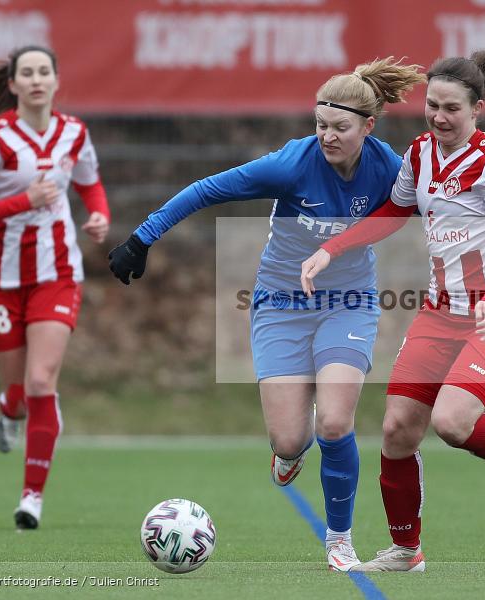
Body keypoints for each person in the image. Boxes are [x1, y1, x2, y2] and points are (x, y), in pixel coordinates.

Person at [108, 58, 425, 571]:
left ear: (369, 126)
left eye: (339, 127)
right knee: (290, 438)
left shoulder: (388, 167)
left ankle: (339, 539)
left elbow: (449, 208)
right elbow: (208, 188)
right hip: (281, 304)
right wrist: (142, 238)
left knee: (337, 425)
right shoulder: (291, 165)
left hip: (349, 304)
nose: (327, 136)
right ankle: (287, 452)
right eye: (320, 125)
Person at [301, 33, 485, 572]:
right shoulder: (419, 153)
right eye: (432, 105)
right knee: (397, 429)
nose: (438, 116)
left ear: (477, 110)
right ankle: (406, 551)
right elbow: (394, 211)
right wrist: (330, 249)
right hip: (440, 310)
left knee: (454, 422)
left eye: (451, 108)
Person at [0, 45, 111, 530]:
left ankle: (31, 499)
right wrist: (24, 200)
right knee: (18, 392)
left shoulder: (74, 132)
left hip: (56, 272)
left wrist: (100, 214)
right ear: (14, 85)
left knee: (42, 382)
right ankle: (7, 408)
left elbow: (89, 183)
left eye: (45, 71)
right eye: (27, 73)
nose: (37, 79)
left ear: (56, 81)